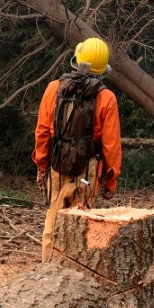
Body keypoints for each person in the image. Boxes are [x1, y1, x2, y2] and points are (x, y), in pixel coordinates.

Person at [32, 37, 122, 262]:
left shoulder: (54, 88)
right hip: (88, 171)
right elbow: (111, 145)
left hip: (57, 165)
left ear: (77, 59)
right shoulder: (107, 97)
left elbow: (42, 132)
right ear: (103, 69)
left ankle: (48, 270)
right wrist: (111, 180)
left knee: (52, 223)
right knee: (82, 225)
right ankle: (77, 273)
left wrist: (41, 165)